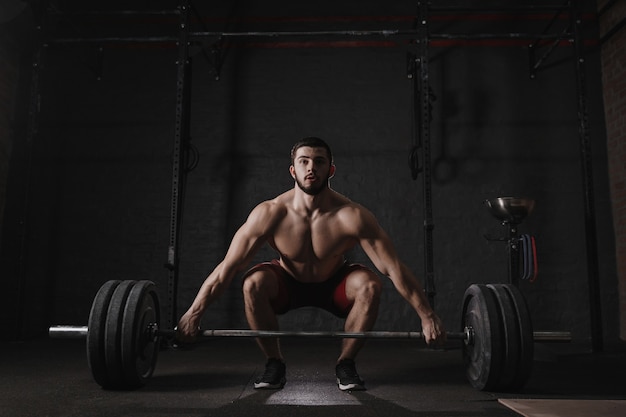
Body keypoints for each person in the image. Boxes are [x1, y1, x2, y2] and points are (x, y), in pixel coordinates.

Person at [177, 137, 446, 391]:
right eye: (304, 161)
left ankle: (346, 363)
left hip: (334, 284)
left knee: (370, 285)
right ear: (292, 170)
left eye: (319, 161)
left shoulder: (352, 215)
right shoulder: (270, 213)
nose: (311, 168)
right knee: (252, 282)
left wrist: (428, 316)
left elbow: (393, 268)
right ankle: (274, 363)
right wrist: (194, 314)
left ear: (331, 169)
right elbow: (228, 268)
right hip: (287, 283)